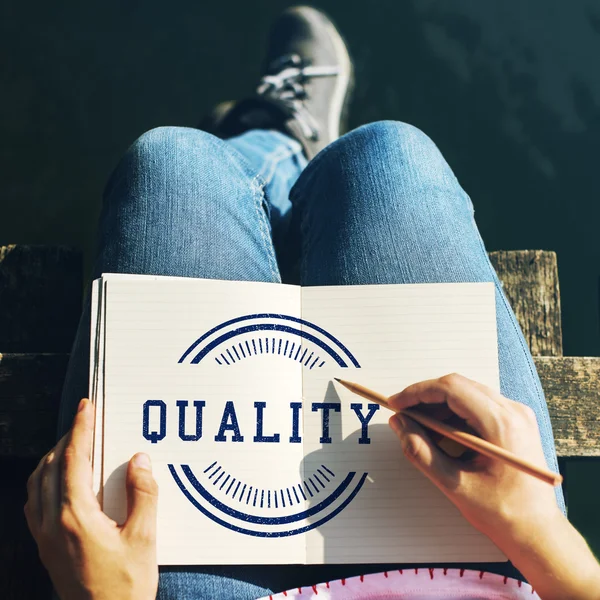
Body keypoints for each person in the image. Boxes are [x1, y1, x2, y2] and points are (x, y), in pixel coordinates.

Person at [24, 6, 600, 599]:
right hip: (479, 578)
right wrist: (546, 538)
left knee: (172, 164)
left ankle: (266, 148)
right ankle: (284, 153)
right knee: (387, 156)